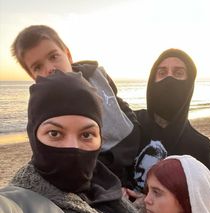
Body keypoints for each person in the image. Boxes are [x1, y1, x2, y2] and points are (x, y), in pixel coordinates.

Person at [0, 71, 169, 213]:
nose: (73, 147)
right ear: (33, 136)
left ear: (100, 138)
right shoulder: (16, 211)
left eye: (87, 135)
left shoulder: (109, 192)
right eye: (55, 133)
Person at [11, 24, 140, 186]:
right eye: (38, 67)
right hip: (100, 170)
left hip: (131, 155)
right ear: (32, 75)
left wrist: (133, 125)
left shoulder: (98, 76)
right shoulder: (45, 104)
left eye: (53, 56)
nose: (50, 68)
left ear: (68, 54)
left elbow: (120, 103)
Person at [130, 48, 210, 193]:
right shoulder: (130, 123)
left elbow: (201, 205)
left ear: (189, 83)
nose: (169, 79)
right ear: (152, 79)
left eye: (178, 73)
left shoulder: (200, 146)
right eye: (162, 73)